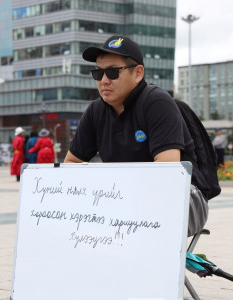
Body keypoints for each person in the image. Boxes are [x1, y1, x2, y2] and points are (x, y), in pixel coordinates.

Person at [64, 34, 208, 237]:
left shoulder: (157, 102)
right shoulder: (96, 111)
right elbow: (71, 163)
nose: (104, 80)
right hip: (124, 201)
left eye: (113, 72)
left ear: (138, 73)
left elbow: (166, 173)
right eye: (98, 73)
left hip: (184, 198)